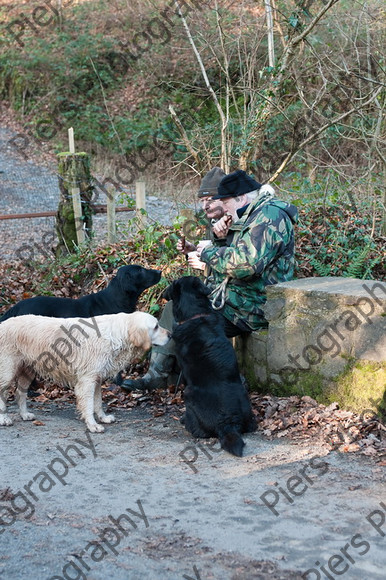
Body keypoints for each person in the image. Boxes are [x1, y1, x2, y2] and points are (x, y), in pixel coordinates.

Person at [121, 168, 298, 391]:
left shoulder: (269, 216)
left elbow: (246, 266)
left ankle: (224, 383)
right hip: (237, 299)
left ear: (241, 198)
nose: (223, 210)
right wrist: (220, 239)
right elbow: (236, 257)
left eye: (225, 205)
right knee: (177, 306)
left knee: (192, 318)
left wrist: (207, 252)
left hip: (254, 306)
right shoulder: (253, 214)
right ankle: (160, 375)